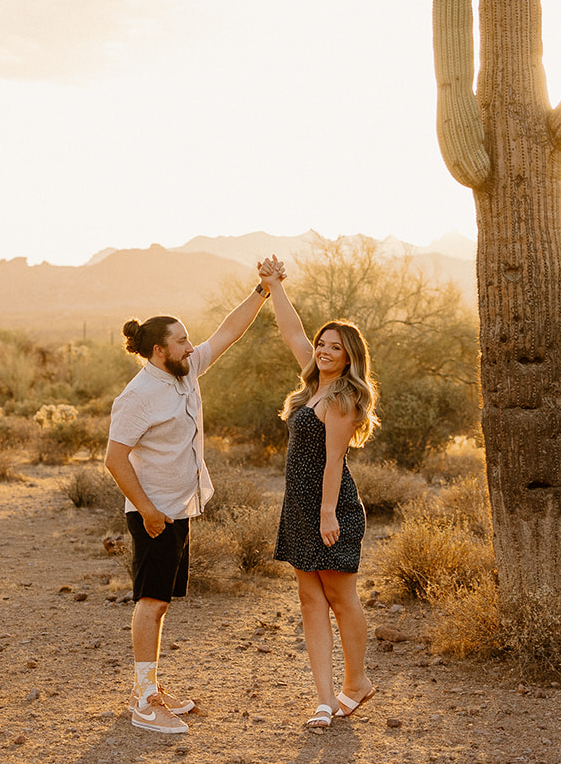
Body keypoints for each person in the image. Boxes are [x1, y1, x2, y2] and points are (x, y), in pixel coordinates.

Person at [104, 271, 274, 735]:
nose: (190, 345)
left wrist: (263, 291)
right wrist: (150, 510)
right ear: (159, 350)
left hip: (179, 508)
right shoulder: (137, 396)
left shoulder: (186, 370)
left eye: (187, 340)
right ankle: (144, 701)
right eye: (181, 341)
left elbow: (228, 331)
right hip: (153, 513)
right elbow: (114, 459)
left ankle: (153, 689)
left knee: (161, 604)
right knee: (150, 602)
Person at [259, 257, 379, 729]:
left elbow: (334, 461)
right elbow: (292, 331)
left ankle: (358, 683)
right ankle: (325, 700)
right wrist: (273, 287)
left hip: (331, 509)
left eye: (335, 347)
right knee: (310, 601)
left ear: (350, 356)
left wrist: (328, 513)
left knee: (341, 598)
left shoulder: (342, 398)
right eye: (321, 345)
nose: (324, 351)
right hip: (299, 509)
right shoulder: (313, 385)